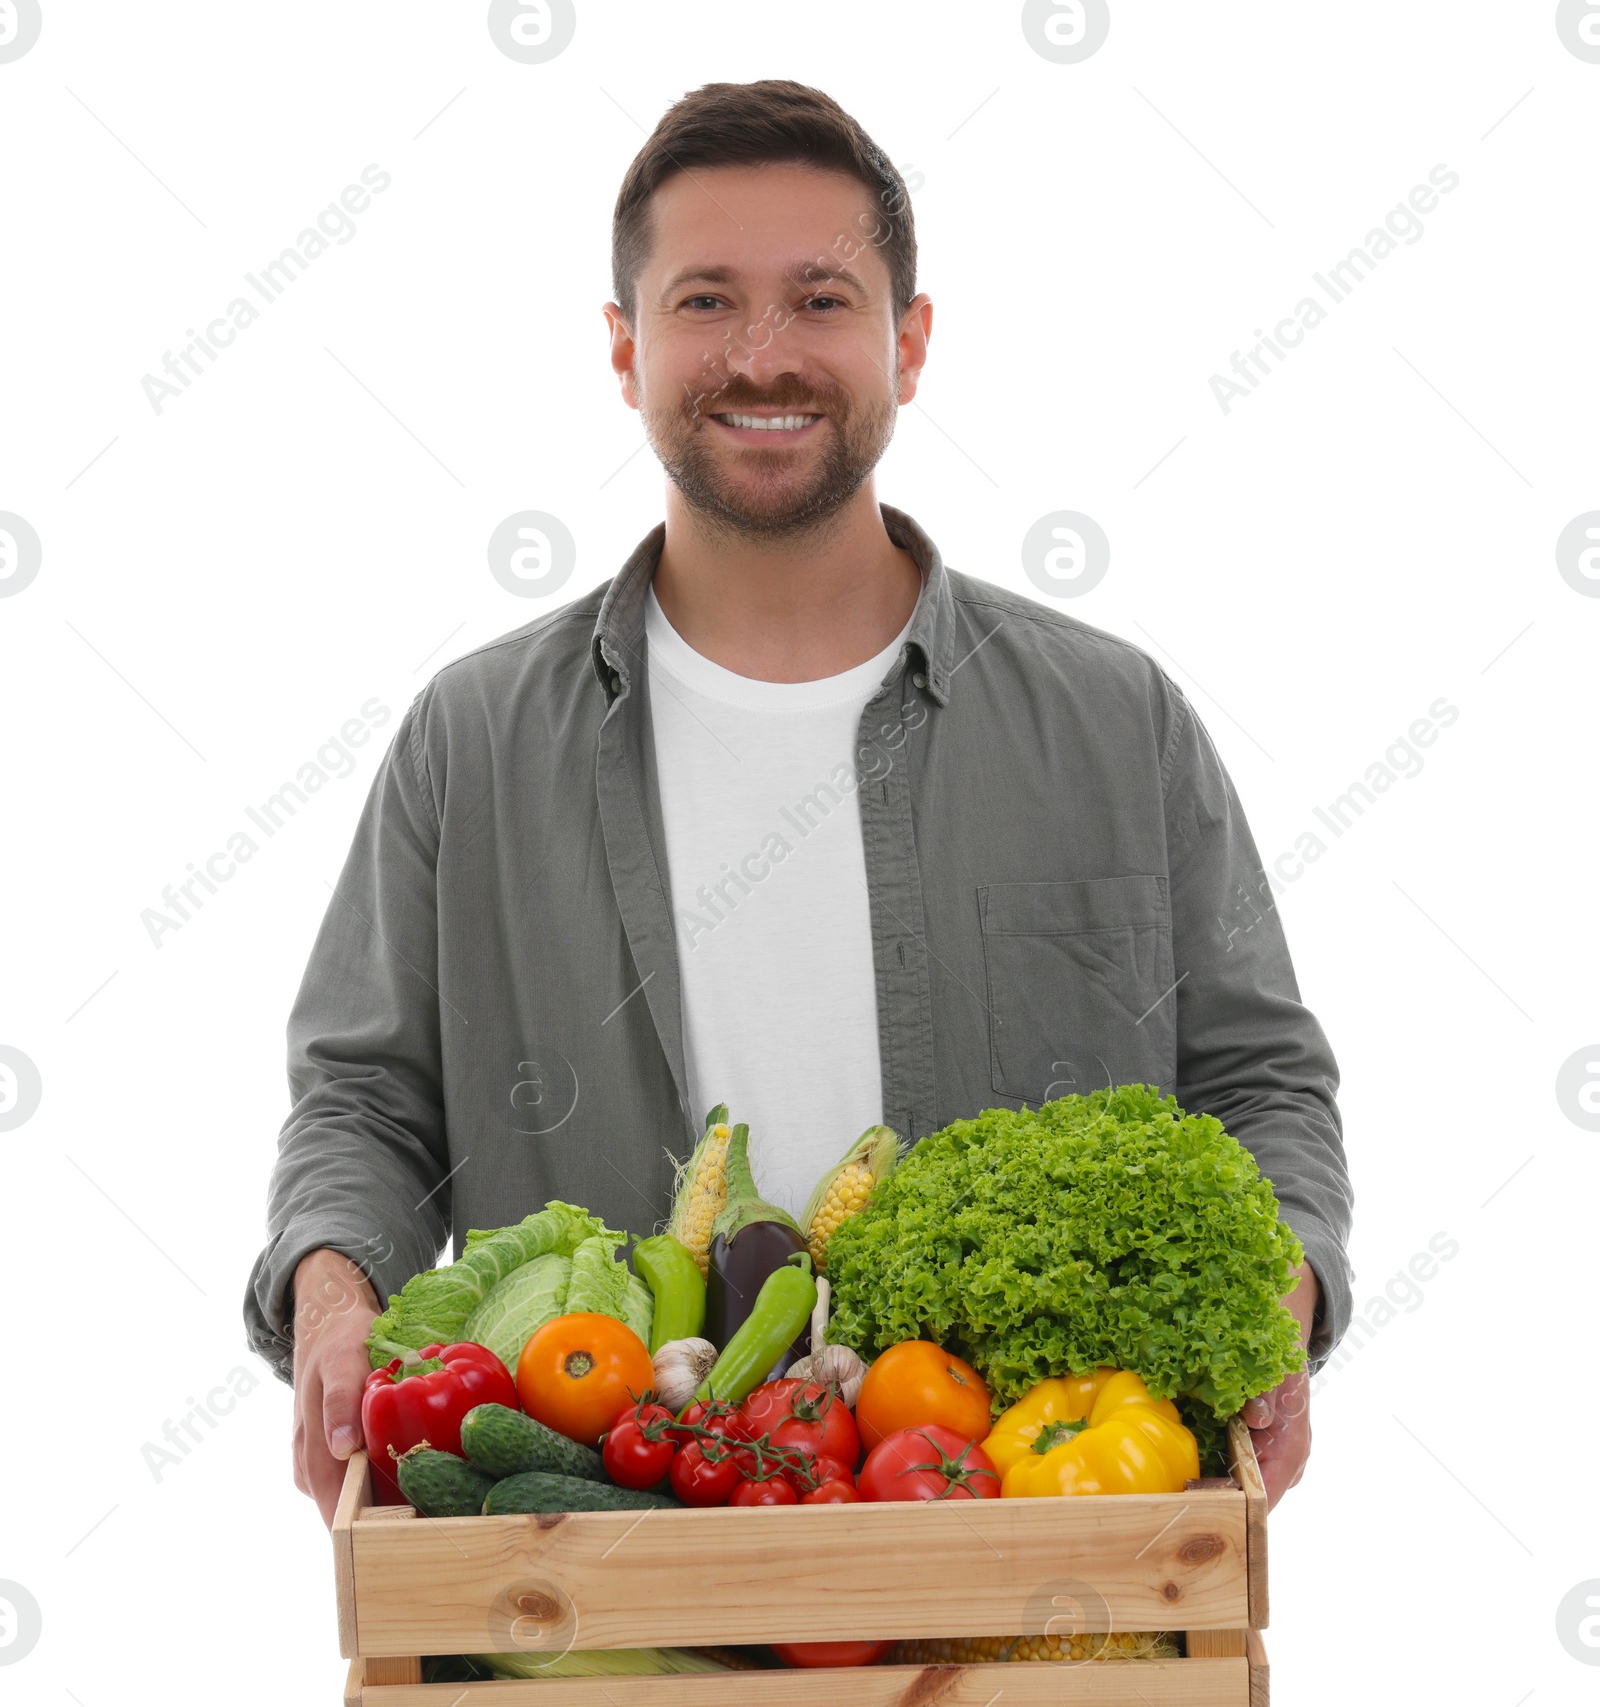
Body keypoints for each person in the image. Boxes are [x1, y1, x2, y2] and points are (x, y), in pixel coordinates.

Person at [246, 78, 1353, 1526]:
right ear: (625, 349)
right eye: (706, 301)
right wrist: (336, 1294)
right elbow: (368, 1102)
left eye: (820, 299)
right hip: (600, 1543)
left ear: (910, 341)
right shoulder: (474, 740)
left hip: (1036, 1517)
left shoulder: (1111, 720)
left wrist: (1281, 1278)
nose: (762, 355)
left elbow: (1258, 1083)